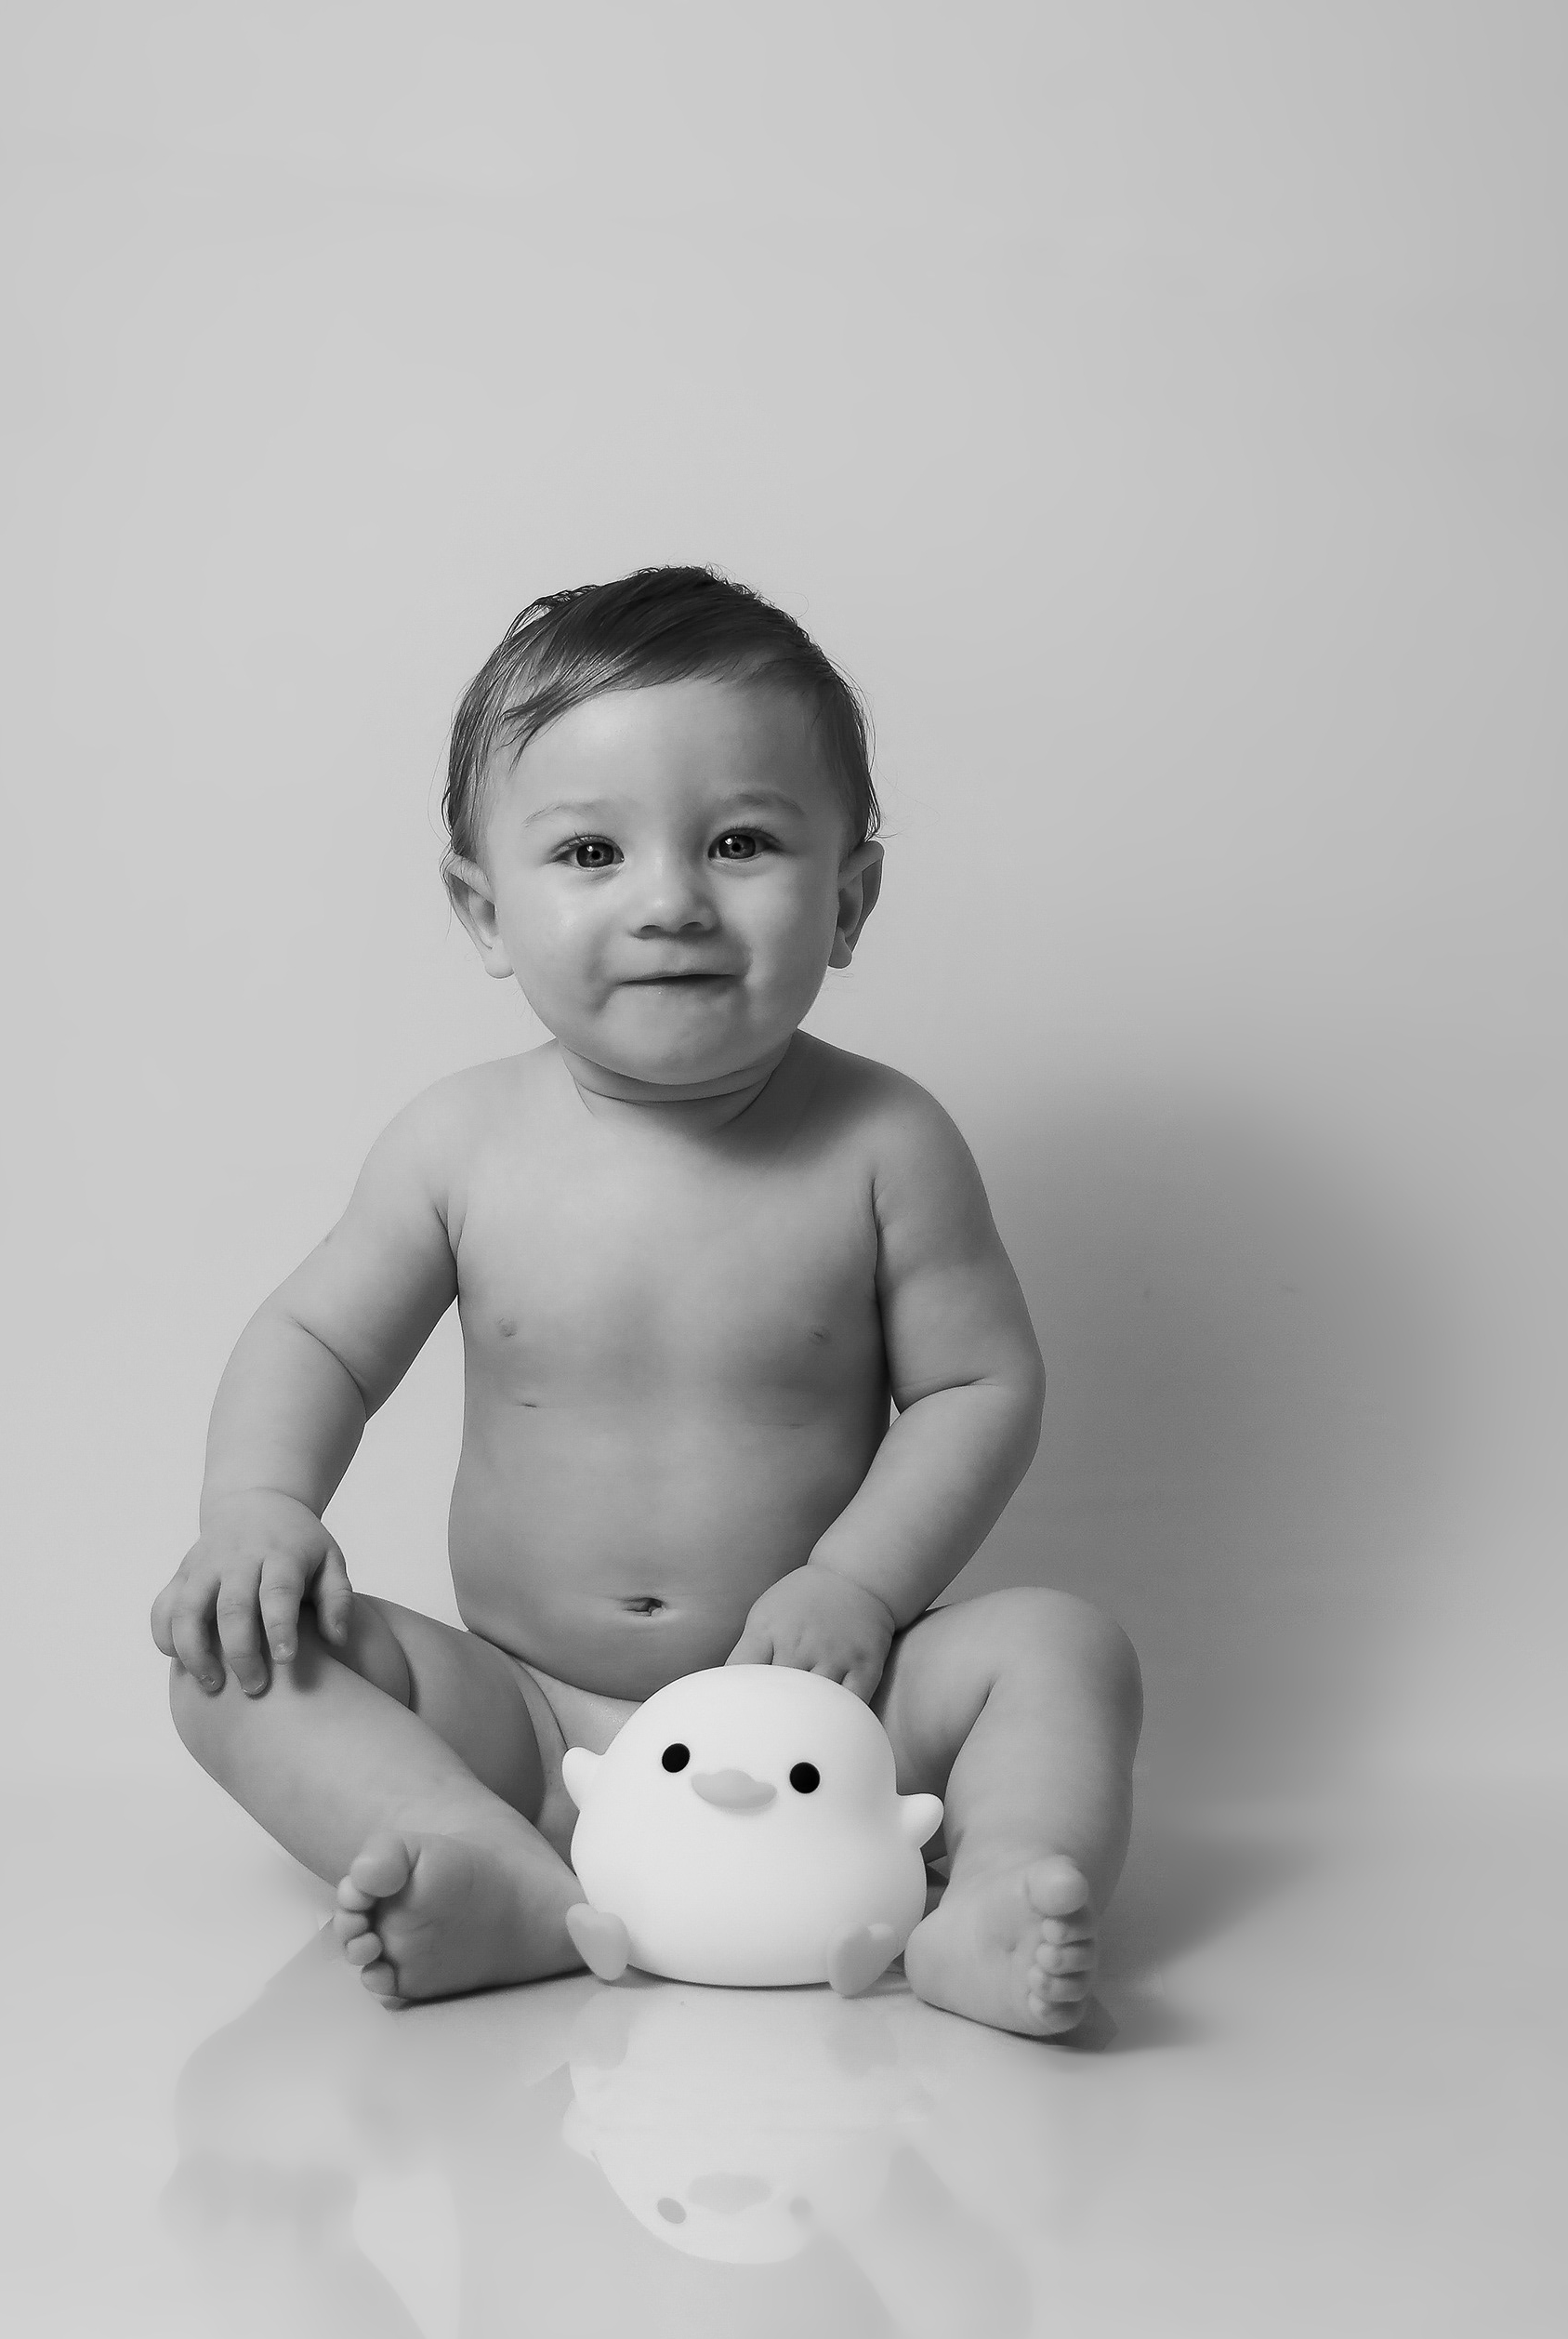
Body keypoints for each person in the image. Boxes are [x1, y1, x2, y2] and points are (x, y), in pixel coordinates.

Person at [153, 567, 1138, 2036]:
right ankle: (485, 1863)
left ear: (848, 899)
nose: (670, 901)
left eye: (740, 842)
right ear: (485, 909)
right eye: (591, 851)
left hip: (832, 1716)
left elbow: (977, 1387)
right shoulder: (458, 1146)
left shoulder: (885, 1145)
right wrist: (256, 1508)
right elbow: (316, 1339)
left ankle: (988, 1899)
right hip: (536, 1721)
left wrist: (858, 1587)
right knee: (235, 1672)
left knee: (1061, 1649)